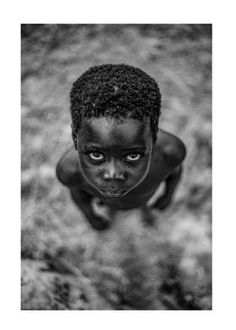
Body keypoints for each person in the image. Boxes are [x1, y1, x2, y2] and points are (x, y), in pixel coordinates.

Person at [56, 64, 186, 230]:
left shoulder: (169, 153)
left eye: (132, 156)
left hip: (143, 198)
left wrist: (168, 195)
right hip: (106, 199)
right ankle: (113, 209)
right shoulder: (70, 171)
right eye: (96, 155)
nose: (113, 174)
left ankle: (145, 212)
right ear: (75, 139)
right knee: (112, 200)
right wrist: (90, 215)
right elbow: (79, 195)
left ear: (153, 140)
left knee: (142, 201)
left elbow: (174, 172)